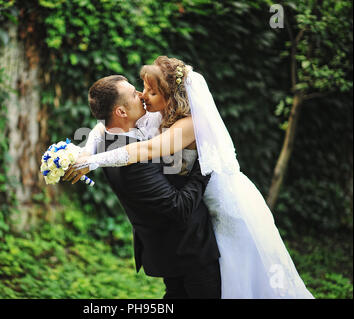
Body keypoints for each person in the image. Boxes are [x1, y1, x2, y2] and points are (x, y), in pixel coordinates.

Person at [66, 56, 314, 299]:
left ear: (170, 96)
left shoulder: (188, 124)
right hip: (195, 213)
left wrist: (93, 162)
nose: (143, 95)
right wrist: (87, 151)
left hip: (222, 203)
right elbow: (102, 127)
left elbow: (148, 150)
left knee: (244, 273)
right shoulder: (154, 114)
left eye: (150, 91)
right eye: (142, 89)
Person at [73, 75, 222, 298]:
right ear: (121, 112)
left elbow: (100, 127)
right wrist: (204, 166)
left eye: (148, 91)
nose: (142, 96)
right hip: (189, 248)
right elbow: (177, 207)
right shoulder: (134, 159)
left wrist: (87, 152)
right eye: (135, 93)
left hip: (167, 250)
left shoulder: (109, 138)